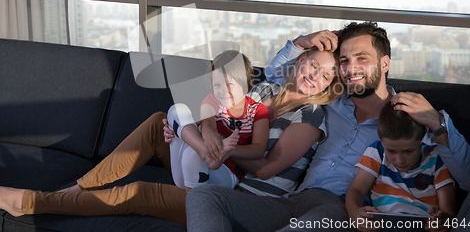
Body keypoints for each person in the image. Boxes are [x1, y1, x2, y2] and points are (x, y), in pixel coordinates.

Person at [185, 21, 470, 232]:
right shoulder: (329, 103)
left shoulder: (407, 119)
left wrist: (438, 122)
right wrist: (301, 43)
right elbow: (278, 79)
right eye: (344, 60)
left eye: (361, 58)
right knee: (203, 197)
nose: (350, 67)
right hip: (291, 200)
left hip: (342, 209)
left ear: (384, 63)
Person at [0, 47, 341, 225]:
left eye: (327, 75)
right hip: (211, 166)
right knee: (160, 120)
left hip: (242, 198)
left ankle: (29, 202)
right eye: (314, 64)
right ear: (300, 61)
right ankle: (81, 187)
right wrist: (187, 135)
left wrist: (217, 149)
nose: (316, 76)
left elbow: (266, 169)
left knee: (137, 193)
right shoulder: (264, 88)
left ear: (330, 86)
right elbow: (214, 114)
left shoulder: (312, 115)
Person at [167, 50, 270, 192]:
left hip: (224, 174)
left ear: (245, 83)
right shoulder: (212, 101)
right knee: (177, 109)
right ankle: (205, 153)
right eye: (217, 85)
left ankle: (194, 204)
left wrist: (228, 151)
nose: (223, 91)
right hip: (186, 169)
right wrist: (211, 142)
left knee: (192, 154)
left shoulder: (258, 110)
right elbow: (208, 123)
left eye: (229, 84)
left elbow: (258, 149)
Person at [346, 101, 455, 232]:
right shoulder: (377, 152)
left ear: (422, 140)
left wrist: (443, 220)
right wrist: (354, 212)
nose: (400, 160)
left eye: (408, 151)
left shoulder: (436, 160)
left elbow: (448, 213)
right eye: (391, 151)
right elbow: (357, 189)